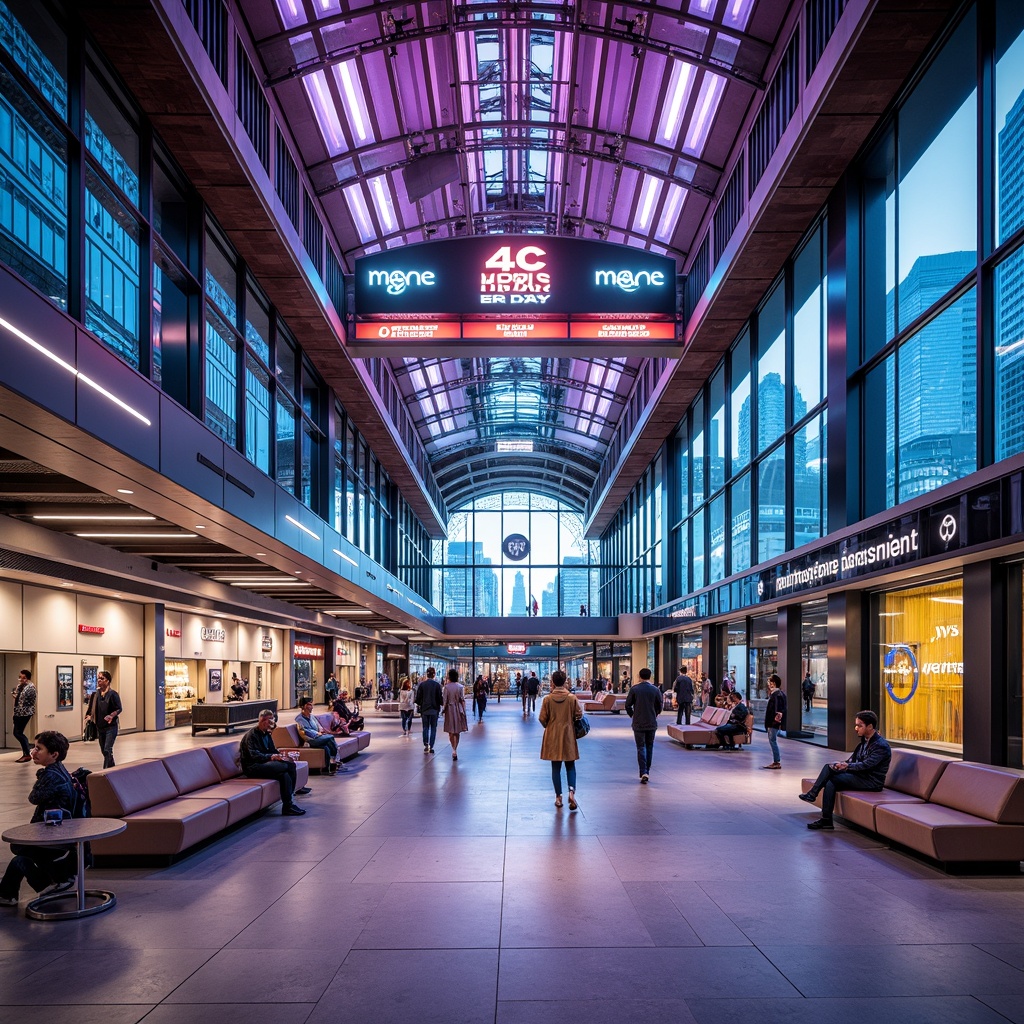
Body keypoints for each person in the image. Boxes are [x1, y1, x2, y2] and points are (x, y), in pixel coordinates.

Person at [0, 731, 79, 906]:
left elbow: (33, 797)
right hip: (60, 829)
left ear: (54, 754)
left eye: (38, 748)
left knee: (19, 849)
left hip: (53, 834)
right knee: (19, 855)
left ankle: (49, 880)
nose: (33, 752)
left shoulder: (50, 775)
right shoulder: (61, 770)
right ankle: (8, 894)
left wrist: (40, 778)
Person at [799, 710, 892, 830]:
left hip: (871, 781)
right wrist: (843, 764)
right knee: (830, 772)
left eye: (859, 725)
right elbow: (853, 759)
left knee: (831, 777)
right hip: (861, 776)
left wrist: (847, 767)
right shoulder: (865, 741)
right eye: (856, 725)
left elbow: (866, 765)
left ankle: (814, 797)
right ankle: (825, 817)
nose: (856, 728)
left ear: (870, 726)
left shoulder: (880, 745)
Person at [239, 709, 310, 815]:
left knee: (284, 774)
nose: (271, 725)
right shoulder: (251, 735)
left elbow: (273, 750)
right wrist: (271, 757)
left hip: (264, 763)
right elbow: (253, 755)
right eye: (270, 721)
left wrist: (280, 756)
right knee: (288, 766)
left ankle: (288, 805)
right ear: (263, 720)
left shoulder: (266, 734)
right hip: (253, 766)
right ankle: (291, 796)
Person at [539, 669, 583, 809]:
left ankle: (558, 797)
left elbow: (542, 718)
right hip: (568, 735)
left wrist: (549, 725)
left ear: (552, 682)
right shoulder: (571, 698)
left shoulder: (547, 699)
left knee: (555, 768)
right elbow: (579, 714)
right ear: (565, 682)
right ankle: (571, 792)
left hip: (553, 736)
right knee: (570, 766)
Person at [625, 667, 663, 784]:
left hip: (638, 723)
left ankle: (643, 772)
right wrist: (655, 714)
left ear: (639, 676)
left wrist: (633, 715)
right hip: (651, 722)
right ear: (650, 676)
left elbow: (627, 705)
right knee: (650, 746)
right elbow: (660, 706)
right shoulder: (655, 690)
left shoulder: (635, 689)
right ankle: (647, 771)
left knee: (641, 747)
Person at [295, 699, 346, 774]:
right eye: (310, 704)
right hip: (311, 740)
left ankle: (327, 768)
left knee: (326, 747)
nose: (312, 707)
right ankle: (335, 760)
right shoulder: (299, 719)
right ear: (305, 706)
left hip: (319, 737)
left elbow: (319, 726)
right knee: (330, 737)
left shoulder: (312, 717)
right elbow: (305, 731)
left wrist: (321, 731)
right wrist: (317, 733)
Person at [85, 670, 121, 768]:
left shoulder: (113, 694)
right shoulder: (95, 694)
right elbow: (91, 707)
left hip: (111, 727)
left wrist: (111, 715)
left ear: (108, 681)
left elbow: (119, 708)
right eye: (98, 679)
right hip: (99, 726)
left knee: (107, 749)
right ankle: (112, 768)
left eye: (102, 678)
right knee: (104, 751)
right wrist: (89, 716)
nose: (99, 680)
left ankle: (105, 771)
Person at [761, 673, 787, 769]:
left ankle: (776, 761)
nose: (768, 683)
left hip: (773, 722)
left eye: (769, 682)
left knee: (772, 740)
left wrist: (774, 721)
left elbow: (777, 710)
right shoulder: (778, 694)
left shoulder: (776, 695)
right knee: (772, 740)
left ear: (773, 683)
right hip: (774, 722)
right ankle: (776, 761)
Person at [442, 669, 469, 760]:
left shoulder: (446, 687)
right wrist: (464, 711)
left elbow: (445, 700)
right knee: (457, 731)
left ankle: (453, 748)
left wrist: (443, 710)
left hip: (449, 709)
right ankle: (455, 749)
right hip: (458, 709)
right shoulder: (460, 687)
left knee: (451, 730)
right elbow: (462, 700)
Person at [415, 667, 443, 753]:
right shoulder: (437, 685)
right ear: (434, 674)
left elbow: (418, 698)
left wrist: (419, 705)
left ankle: (426, 744)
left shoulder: (422, 685)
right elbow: (440, 698)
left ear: (427, 674)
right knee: (433, 728)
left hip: (425, 709)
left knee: (425, 727)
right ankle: (432, 745)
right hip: (434, 709)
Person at [11, 668, 36, 763]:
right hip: (18, 712)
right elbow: (18, 696)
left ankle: (27, 753)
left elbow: (26, 700)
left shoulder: (30, 687)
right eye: (20, 677)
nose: (21, 679)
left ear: (28, 678)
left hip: (25, 713)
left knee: (18, 732)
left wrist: (17, 696)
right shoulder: (20, 686)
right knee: (17, 732)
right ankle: (26, 752)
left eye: (24, 678)